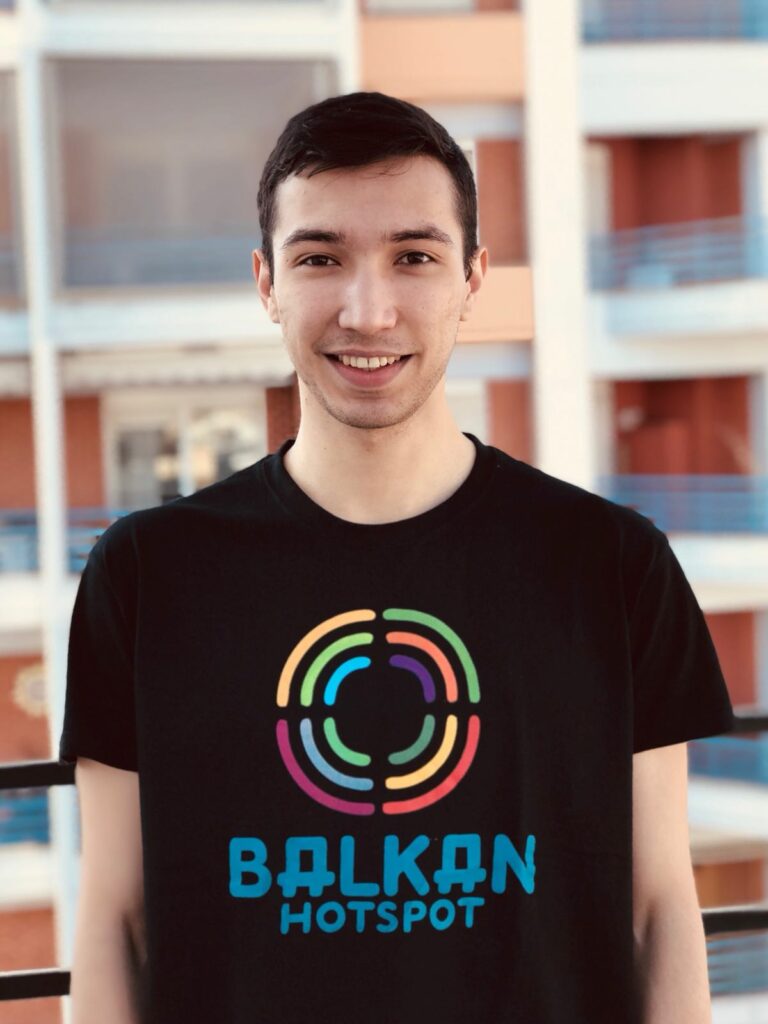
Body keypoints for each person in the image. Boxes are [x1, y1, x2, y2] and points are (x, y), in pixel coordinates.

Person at [59, 91, 735, 1024]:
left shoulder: (614, 566)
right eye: (320, 258)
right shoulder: (146, 575)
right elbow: (114, 923)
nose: (368, 312)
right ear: (266, 283)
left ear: (473, 279)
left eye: (414, 257)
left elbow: (659, 909)